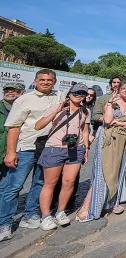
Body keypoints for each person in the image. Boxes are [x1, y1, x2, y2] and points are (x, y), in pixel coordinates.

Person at [0, 69, 63, 241]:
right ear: (35, 81)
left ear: (54, 82)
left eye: (49, 80)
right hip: (26, 148)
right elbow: (13, 127)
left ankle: (29, 215)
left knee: (40, 183)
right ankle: (4, 223)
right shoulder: (24, 99)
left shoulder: (58, 97)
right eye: (42, 79)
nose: (45, 82)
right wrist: (11, 152)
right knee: (14, 186)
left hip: (48, 148)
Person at [76, 80, 126, 222]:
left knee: (117, 171)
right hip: (108, 139)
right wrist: (109, 103)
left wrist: (120, 122)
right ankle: (88, 208)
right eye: (123, 88)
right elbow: (108, 120)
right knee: (103, 171)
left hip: (122, 139)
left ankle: (110, 203)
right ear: (118, 89)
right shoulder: (113, 102)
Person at [35, 83, 91, 230]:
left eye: (82, 93)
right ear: (69, 93)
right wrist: (57, 111)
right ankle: (46, 216)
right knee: (50, 183)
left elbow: (85, 131)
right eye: (76, 93)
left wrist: (85, 148)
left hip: (76, 149)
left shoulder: (85, 111)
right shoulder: (58, 107)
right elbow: (38, 125)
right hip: (55, 148)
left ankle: (60, 211)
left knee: (69, 182)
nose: (79, 96)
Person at [0, 83, 25, 181]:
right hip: (1, 151)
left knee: (8, 184)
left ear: (23, 93)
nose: (10, 92)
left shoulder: (25, 109)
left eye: (14, 90)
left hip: (18, 153)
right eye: (7, 90)